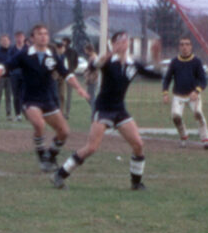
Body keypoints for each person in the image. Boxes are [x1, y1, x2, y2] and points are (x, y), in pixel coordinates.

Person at [52, 30, 163, 190]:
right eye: (119, 40)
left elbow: (156, 75)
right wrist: (105, 56)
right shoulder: (108, 60)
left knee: (138, 144)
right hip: (103, 108)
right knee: (91, 148)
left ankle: (136, 183)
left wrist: (156, 57)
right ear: (113, 44)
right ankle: (60, 175)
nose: (123, 42)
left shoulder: (133, 64)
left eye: (126, 39)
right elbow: (93, 65)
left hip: (119, 109)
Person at [0, 24, 90, 172]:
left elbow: (67, 74)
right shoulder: (24, 54)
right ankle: (42, 156)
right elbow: (4, 65)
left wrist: (79, 88)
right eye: (39, 34)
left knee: (64, 132)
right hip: (30, 99)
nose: (43, 36)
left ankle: (51, 155)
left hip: (48, 99)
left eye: (46, 34)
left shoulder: (52, 56)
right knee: (39, 124)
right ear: (32, 38)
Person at [161, 37, 208, 149]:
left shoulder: (196, 62)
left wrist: (196, 91)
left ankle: (205, 139)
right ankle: (183, 136)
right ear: (179, 47)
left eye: (187, 44)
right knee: (176, 116)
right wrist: (165, 93)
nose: (184, 47)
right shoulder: (174, 62)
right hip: (178, 95)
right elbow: (167, 79)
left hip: (193, 95)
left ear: (191, 46)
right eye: (182, 44)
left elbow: (203, 80)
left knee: (198, 113)